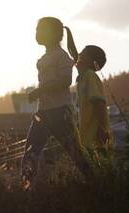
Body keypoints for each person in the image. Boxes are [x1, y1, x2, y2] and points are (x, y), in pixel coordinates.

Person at [21, 17, 91, 187]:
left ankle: (96, 181)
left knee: (75, 152)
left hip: (60, 112)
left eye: (40, 30)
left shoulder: (61, 56)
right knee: (31, 151)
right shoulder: (46, 57)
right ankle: (25, 188)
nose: (36, 33)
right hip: (43, 111)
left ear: (52, 34)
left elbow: (66, 80)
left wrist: (40, 90)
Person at [64, 28, 112, 151]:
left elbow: (99, 103)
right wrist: (68, 32)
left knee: (100, 168)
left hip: (96, 139)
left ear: (90, 60)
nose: (79, 55)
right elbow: (73, 52)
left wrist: (102, 129)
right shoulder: (82, 78)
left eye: (83, 53)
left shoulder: (90, 76)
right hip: (87, 140)